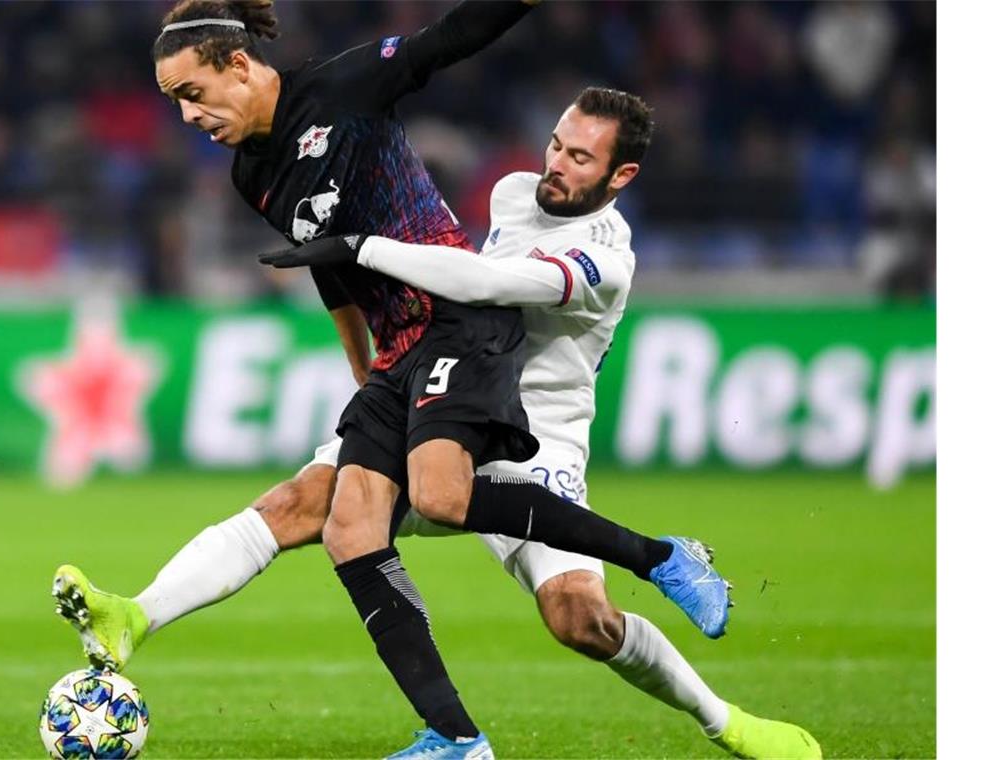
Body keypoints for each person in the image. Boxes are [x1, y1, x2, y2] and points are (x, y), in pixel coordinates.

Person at [54, 2, 729, 756]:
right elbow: (328, 268)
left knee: (444, 501)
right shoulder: (253, 170)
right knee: (336, 520)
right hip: (403, 350)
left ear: (238, 66)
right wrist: (363, 370)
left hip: (461, 324)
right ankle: (448, 735)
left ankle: (661, 558)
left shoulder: (343, 86)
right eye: (174, 100)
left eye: (191, 92)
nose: (187, 115)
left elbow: (450, 39)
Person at [260, 87, 821, 760]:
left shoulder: (605, 261)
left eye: (580, 157)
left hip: (539, 437)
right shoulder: (514, 194)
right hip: (457, 402)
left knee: (579, 618)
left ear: (622, 176)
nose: (556, 162)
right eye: (556, 143)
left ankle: (722, 718)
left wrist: (359, 247)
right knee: (308, 506)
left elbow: (478, 285)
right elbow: (454, 279)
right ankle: (132, 616)